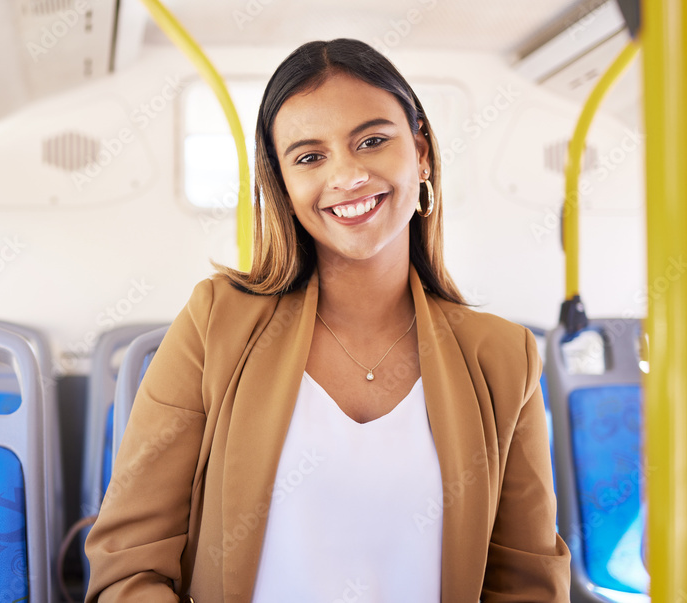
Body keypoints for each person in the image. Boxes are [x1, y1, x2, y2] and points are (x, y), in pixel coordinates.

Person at [84, 38, 570, 602]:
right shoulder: (216, 323)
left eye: (372, 141)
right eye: (310, 157)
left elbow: (527, 587)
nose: (348, 175)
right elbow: (128, 567)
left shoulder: (504, 357)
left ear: (421, 153)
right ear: (284, 187)